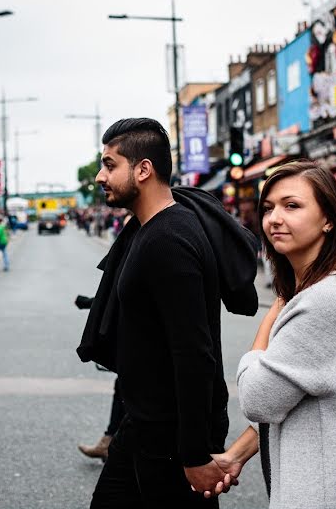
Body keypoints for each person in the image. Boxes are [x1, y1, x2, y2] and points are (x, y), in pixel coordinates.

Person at [216, 159, 336, 509]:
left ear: (329, 219)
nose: (275, 219)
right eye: (269, 208)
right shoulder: (330, 288)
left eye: (292, 206)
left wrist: (271, 319)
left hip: (331, 492)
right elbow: (299, 393)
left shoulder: (326, 299)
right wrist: (237, 454)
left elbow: (258, 398)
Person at [83, 118, 232, 508]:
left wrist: (195, 453)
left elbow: (194, 353)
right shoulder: (149, 229)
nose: (100, 176)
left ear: (143, 169)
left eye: (110, 164)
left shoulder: (169, 239)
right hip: (142, 423)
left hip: (169, 434)